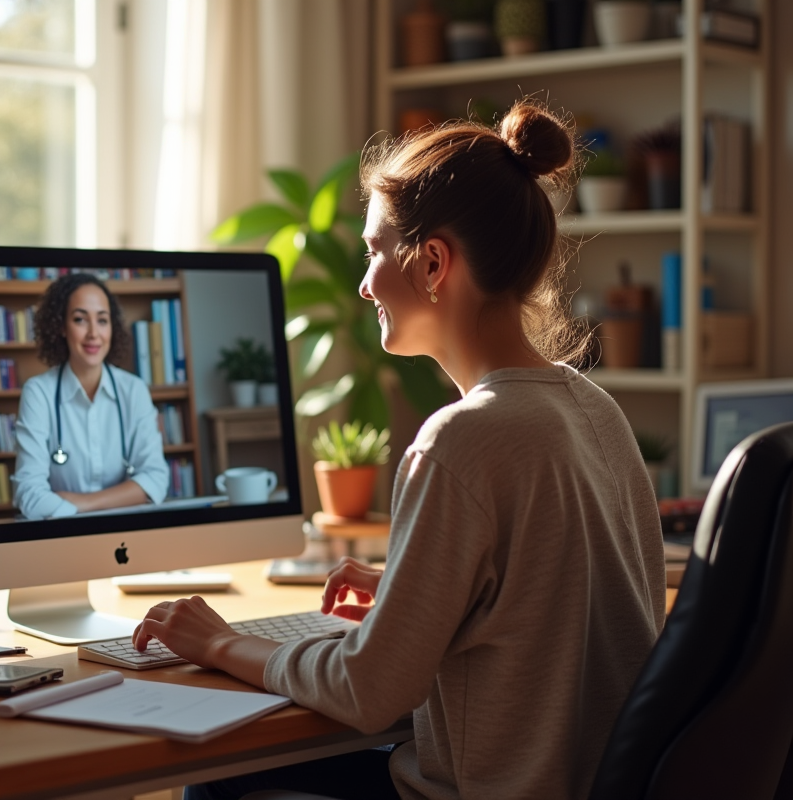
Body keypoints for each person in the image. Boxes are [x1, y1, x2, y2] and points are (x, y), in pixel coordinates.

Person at [132, 100, 666, 800]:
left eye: (375, 251)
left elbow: (367, 691)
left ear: (434, 263)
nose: (363, 282)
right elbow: (559, 603)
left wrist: (219, 642)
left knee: (217, 785)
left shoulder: (462, 440)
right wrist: (417, 596)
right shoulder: (592, 409)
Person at [12, 273, 168, 520]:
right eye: (80, 319)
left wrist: (84, 504)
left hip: (124, 532)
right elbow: (29, 492)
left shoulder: (134, 390)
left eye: (103, 320)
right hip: (63, 534)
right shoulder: (39, 393)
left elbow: (155, 479)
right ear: (61, 327)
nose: (94, 333)